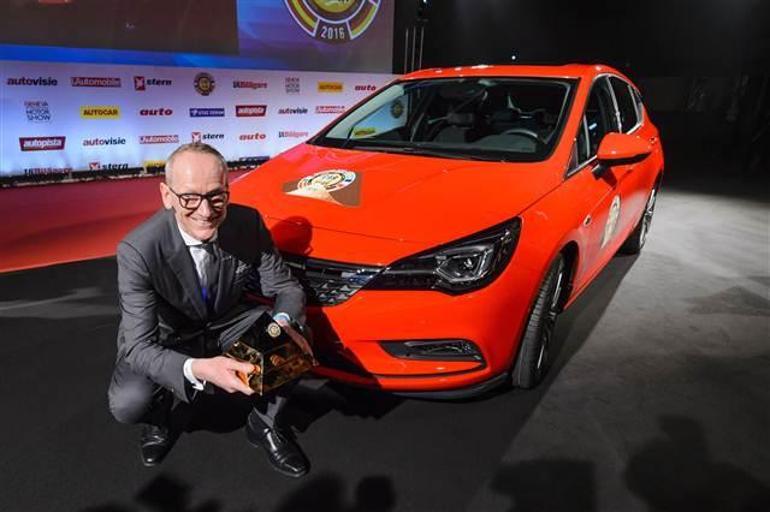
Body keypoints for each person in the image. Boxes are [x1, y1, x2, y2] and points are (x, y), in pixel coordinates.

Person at [108, 142, 310, 477]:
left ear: (227, 190)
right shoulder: (138, 250)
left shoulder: (247, 222)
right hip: (168, 335)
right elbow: (139, 347)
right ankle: (159, 420)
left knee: (294, 339)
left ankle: (264, 424)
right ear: (167, 196)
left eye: (217, 196)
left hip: (225, 321)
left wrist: (282, 324)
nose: (205, 211)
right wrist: (198, 369)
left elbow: (286, 288)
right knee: (129, 403)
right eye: (189, 197)